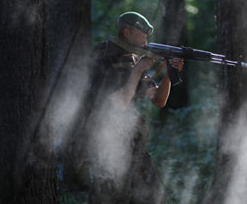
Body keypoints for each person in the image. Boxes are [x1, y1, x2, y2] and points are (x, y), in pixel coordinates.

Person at [64, 11, 183, 204]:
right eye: (142, 36)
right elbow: (118, 103)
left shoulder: (132, 60)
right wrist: (138, 70)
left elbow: (158, 100)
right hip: (107, 145)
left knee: (153, 197)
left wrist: (168, 74)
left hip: (132, 144)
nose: (146, 43)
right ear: (127, 33)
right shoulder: (104, 56)